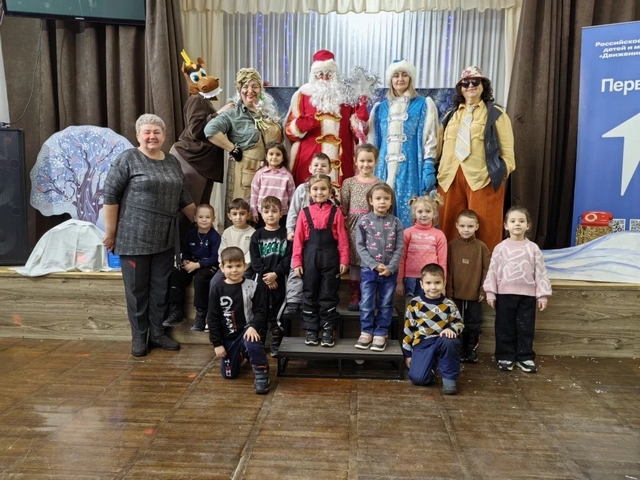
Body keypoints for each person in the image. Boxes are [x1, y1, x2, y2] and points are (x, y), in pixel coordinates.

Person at [103, 114, 196, 357]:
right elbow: (110, 196)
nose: (151, 136)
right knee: (137, 292)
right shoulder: (128, 159)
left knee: (160, 290)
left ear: (164, 136)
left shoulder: (172, 162)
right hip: (133, 238)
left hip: (165, 238)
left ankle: (157, 333)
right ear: (138, 135)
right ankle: (139, 337)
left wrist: (203, 222)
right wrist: (110, 233)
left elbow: (183, 196)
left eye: (156, 132)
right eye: (147, 132)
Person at [436, 66, 516, 252]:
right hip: (449, 178)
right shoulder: (450, 116)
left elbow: (508, 153)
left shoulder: (496, 114)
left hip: (483, 179)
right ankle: (449, 269)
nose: (470, 85)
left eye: (475, 81)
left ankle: (486, 269)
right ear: (460, 88)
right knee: (448, 229)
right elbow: (438, 149)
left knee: (486, 230)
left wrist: (498, 173)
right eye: (465, 83)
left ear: (483, 85)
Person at [369, 60, 439, 228]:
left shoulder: (423, 104)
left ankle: (410, 244)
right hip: (383, 169)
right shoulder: (380, 108)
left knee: (410, 211)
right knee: (383, 210)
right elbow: (373, 142)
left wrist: (428, 165)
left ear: (411, 78)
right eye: (396, 75)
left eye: (404, 75)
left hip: (411, 168)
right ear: (390, 80)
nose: (400, 79)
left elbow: (430, 136)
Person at [483, 207, 552, 373]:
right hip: (504, 295)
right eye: (513, 221)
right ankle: (505, 356)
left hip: (527, 297)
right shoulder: (500, 247)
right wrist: (490, 292)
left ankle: (525, 357)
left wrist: (542, 295)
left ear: (528, 225)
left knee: (525, 328)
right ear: (506, 225)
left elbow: (541, 272)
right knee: (504, 327)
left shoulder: (533, 248)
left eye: (522, 221)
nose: (517, 224)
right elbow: (493, 270)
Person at [285, 49, 369, 186]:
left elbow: (359, 135)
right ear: (314, 75)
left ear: (335, 75)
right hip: (310, 159)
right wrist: (300, 125)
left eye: (329, 74)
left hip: (342, 158)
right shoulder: (302, 95)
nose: (324, 78)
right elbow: (289, 132)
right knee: (310, 193)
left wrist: (360, 120)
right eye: (320, 74)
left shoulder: (346, 97)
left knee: (342, 194)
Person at [204, 68, 283, 212]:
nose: (250, 90)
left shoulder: (268, 112)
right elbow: (210, 130)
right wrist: (232, 148)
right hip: (245, 175)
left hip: (270, 174)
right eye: (245, 86)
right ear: (239, 90)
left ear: (261, 89)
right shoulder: (233, 113)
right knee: (243, 215)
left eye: (255, 86)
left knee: (267, 216)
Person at [171, 50, 234, 210]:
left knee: (201, 211)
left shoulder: (203, 101)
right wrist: (219, 113)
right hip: (191, 159)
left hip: (201, 163)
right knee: (190, 210)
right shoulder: (196, 99)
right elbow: (196, 130)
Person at [292, 174, 349, 348]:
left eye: (323, 189)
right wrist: (297, 262)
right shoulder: (304, 213)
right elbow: (298, 240)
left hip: (330, 257)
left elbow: (342, 238)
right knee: (309, 292)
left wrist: (344, 259)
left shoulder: (336, 212)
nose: (319, 192)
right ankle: (311, 329)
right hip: (310, 257)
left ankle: (327, 328)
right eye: (315, 189)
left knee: (328, 293)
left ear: (330, 191)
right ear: (309, 192)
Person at [283, 153, 340, 317]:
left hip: (323, 240)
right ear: (310, 168)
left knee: (317, 273)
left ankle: (319, 301)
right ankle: (294, 299)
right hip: (301, 236)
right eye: (316, 165)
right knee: (296, 266)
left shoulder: (333, 191)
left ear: (330, 169)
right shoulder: (302, 189)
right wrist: (290, 230)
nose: (319, 168)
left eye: (323, 165)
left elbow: (337, 212)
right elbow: (293, 211)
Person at [207, 246, 271, 394]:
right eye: (229, 266)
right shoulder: (217, 289)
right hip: (228, 337)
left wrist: (253, 326)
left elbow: (261, 311)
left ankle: (261, 373)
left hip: (248, 330)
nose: (234, 270)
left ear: (245, 266)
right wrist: (217, 344)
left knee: (251, 340)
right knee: (229, 374)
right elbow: (212, 318)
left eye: (238, 266)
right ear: (222, 268)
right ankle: (242, 354)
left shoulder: (253, 286)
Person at [354, 183, 404, 352]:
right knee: (366, 302)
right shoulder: (364, 222)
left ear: (391, 202)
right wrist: (374, 265)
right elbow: (360, 246)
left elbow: (399, 247)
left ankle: (381, 332)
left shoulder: (396, 223)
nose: (382, 202)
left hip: (389, 272)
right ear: (371, 201)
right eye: (378, 198)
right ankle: (366, 331)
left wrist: (391, 267)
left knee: (386, 303)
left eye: (386, 198)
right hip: (369, 271)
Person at [402, 263, 463, 395]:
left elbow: (459, 323)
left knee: (450, 341)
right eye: (428, 283)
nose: (433, 287)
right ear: (421, 284)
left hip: (442, 341)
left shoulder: (449, 304)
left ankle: (449, 379)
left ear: (444, 283)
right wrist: (408, 355)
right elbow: (408, 330)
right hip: (422, 344)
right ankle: (432, 367)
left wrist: (452, 329)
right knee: (418, 378)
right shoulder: (415, 304)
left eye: (437, 283)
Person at [163, 204, 221, 331]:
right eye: (200, 217)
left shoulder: (215, 237)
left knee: (200, 279)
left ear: (213, 219)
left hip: (208, 265)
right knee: (176, 275)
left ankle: (200, 314)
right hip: (192, 264)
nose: (204, 220)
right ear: (195, 218)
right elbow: (186, 251)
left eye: (207, 217)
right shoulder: (190, 234)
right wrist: (185, 261)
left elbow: (215, 258)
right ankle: (176, 310)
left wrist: (198, 265)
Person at [340, 143, 383, 311]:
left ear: (376, 161)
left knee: (370, 258)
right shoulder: (349, 183)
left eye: (369, 161)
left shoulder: (380, 184)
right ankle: (354, 294)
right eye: (362, 161)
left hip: (373, 227)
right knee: (356, 260)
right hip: (354, 226)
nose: (366, 164)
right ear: (355, 161)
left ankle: (368, 293)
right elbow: (344, 207)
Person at [249, 196, 292, 357]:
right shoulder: (257, 235)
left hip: (280, 279)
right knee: (260, 307)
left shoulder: (286, 234)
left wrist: (275, 274)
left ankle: (276, 337)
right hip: (261, 279)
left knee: (277, 307)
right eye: (266, 211)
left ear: (281, 213)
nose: (270, 215)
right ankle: (259, 338)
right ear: (261, 213)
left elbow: (288, 258)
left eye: (274, 211)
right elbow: (255, 260)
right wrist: (267, 276)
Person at [446, 209, 490, 363]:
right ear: (456, 226)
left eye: (470, 226)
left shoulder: (482, 247)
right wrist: (449, 292)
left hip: (474, 296)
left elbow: (487, 270)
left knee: (474, 324)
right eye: (463, 226)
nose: (466, 229)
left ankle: (471, 350)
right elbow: (447, 270)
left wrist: (483, 290)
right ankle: (457, 351)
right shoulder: (451, 246)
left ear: (477, 226)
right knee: (454, 322)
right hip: (454, 296)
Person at [396, 194, 447, 302]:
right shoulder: (407, 233)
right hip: (410, 279)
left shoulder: (439, 235)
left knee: (430, 308)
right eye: (420, 211)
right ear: (414, 213)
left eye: (428, 211)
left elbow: (442, 261)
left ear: (434, 213)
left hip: (432, 280)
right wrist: (399, 281)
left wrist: (443, 283)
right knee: (411, 307)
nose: (424, 215)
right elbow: (401, 258)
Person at [208, 198, 256, 304]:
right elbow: (222, 251)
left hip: (245, 268)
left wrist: (241, 267)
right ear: (229, 216)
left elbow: (252, 253)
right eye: (234, 214)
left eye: (242, 214)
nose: (238, 217)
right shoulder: (227, 232)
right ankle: (214, 309)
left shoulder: (253, 233)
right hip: (227, 267)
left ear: (248, 215)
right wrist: (226, 268)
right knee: (214, 282)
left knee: (241, 288)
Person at [250, 141, 295, 229]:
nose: (274, 157)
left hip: (281, 214)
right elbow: (254, 193)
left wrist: (292, 214)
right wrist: (253, 211)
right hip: (263, 213)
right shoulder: (260, 174)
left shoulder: (287, 176)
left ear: (283, 158)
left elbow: (292, 197)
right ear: (266, 156)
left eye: (278, 154)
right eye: (271, 154)